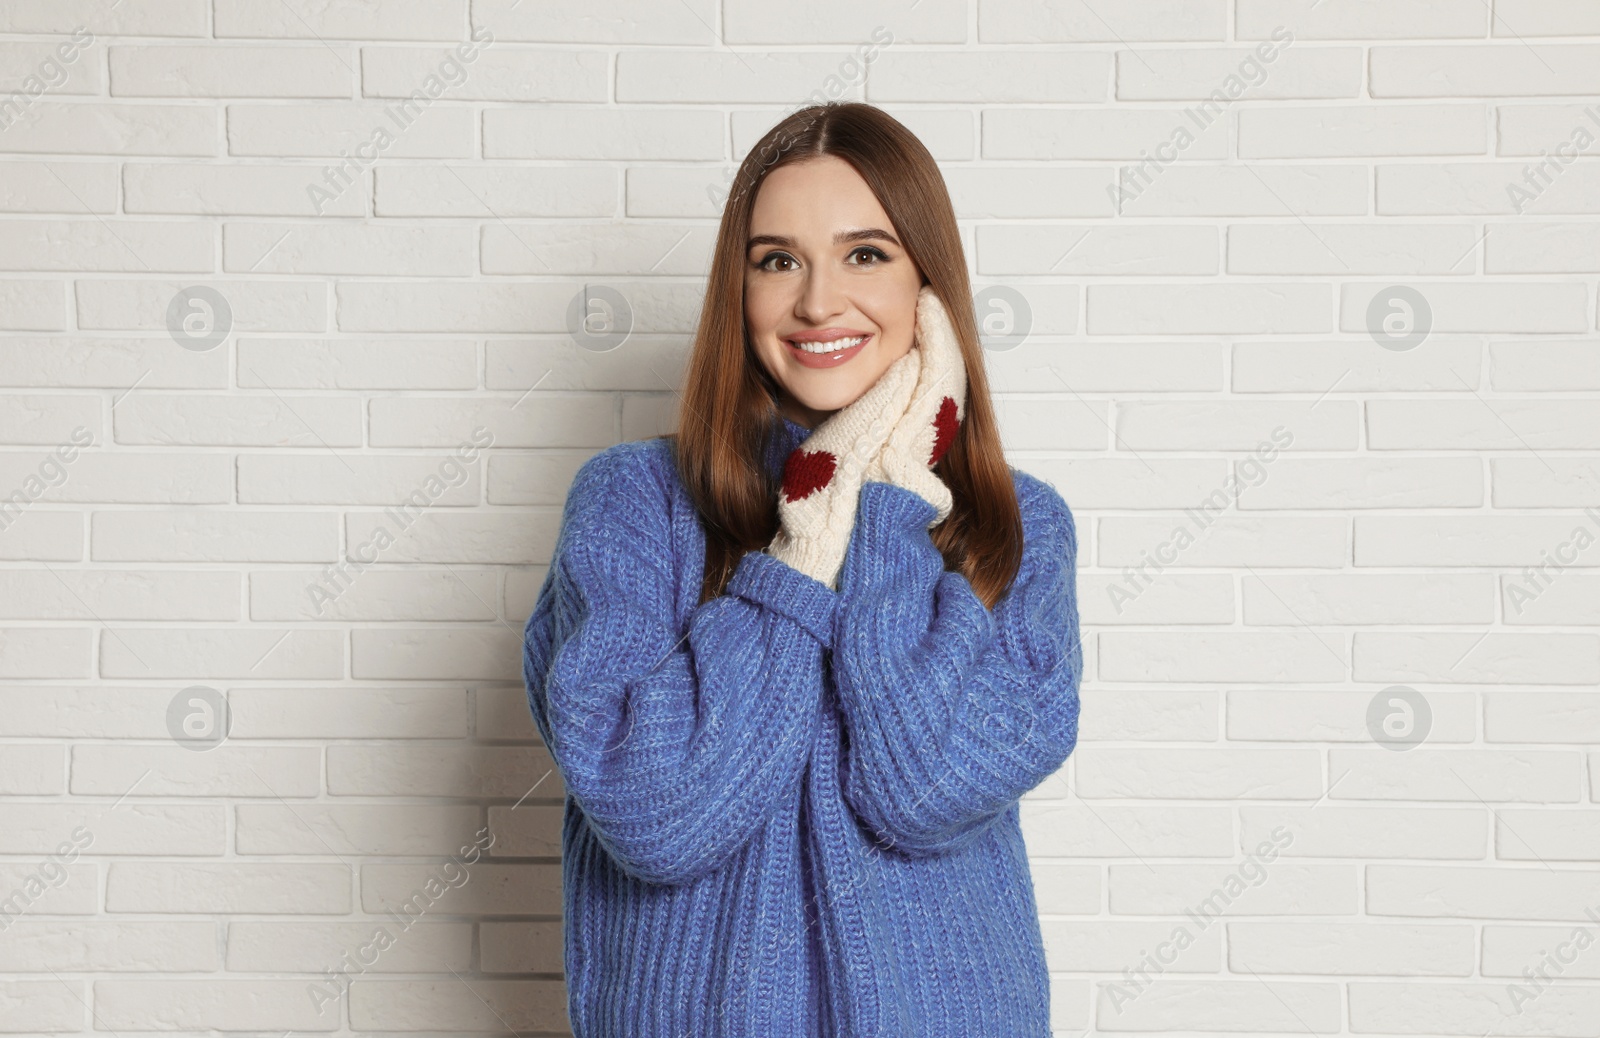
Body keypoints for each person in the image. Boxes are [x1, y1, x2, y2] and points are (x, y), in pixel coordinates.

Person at [521, 100, 1082, 1038]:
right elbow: (662, 817)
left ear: (929, 291)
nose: (818, 301)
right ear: (736, 293)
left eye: (867, 254)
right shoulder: (632, 505)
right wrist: (805, 549)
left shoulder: (1016, 531)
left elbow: (923, 788)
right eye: (777, 260)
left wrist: (890, 496)